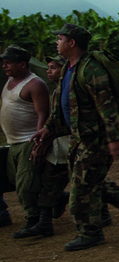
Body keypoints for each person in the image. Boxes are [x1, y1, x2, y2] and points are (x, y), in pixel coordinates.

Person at [34, 24, 119, 251]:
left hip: (96, 138)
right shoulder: (69, 69)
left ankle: (90, 233)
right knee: (87, 179)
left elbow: (107, 106)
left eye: (60, 38)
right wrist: (48, 128)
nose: (57, 42)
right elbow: (61, 106)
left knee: (80, 189)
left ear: (72, 43)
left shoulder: (91, 69)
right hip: (79, 137)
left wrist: (114, 139)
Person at [1, 45, 49, 239]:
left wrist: (39, 143)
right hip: (13, 142)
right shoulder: (9, 81)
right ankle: (57, 200)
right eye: (4, 62)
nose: (5, 66)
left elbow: (43, 114)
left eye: (9, 62)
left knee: (25, 183)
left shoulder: (34, 84)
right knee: (14, 180)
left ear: (22, 64)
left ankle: (35, 220)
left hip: (28, 140)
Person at [24, 55, 72, 238]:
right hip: (57, 144)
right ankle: (45, 222)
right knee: (48, 180)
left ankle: (116, 205)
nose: (48, 71)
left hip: (69, 143)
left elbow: (63, 121)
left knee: (88, 181)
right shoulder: (57, 90)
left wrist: (47, 136)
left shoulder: (69, 89)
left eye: (53, 67)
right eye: (48, 67)